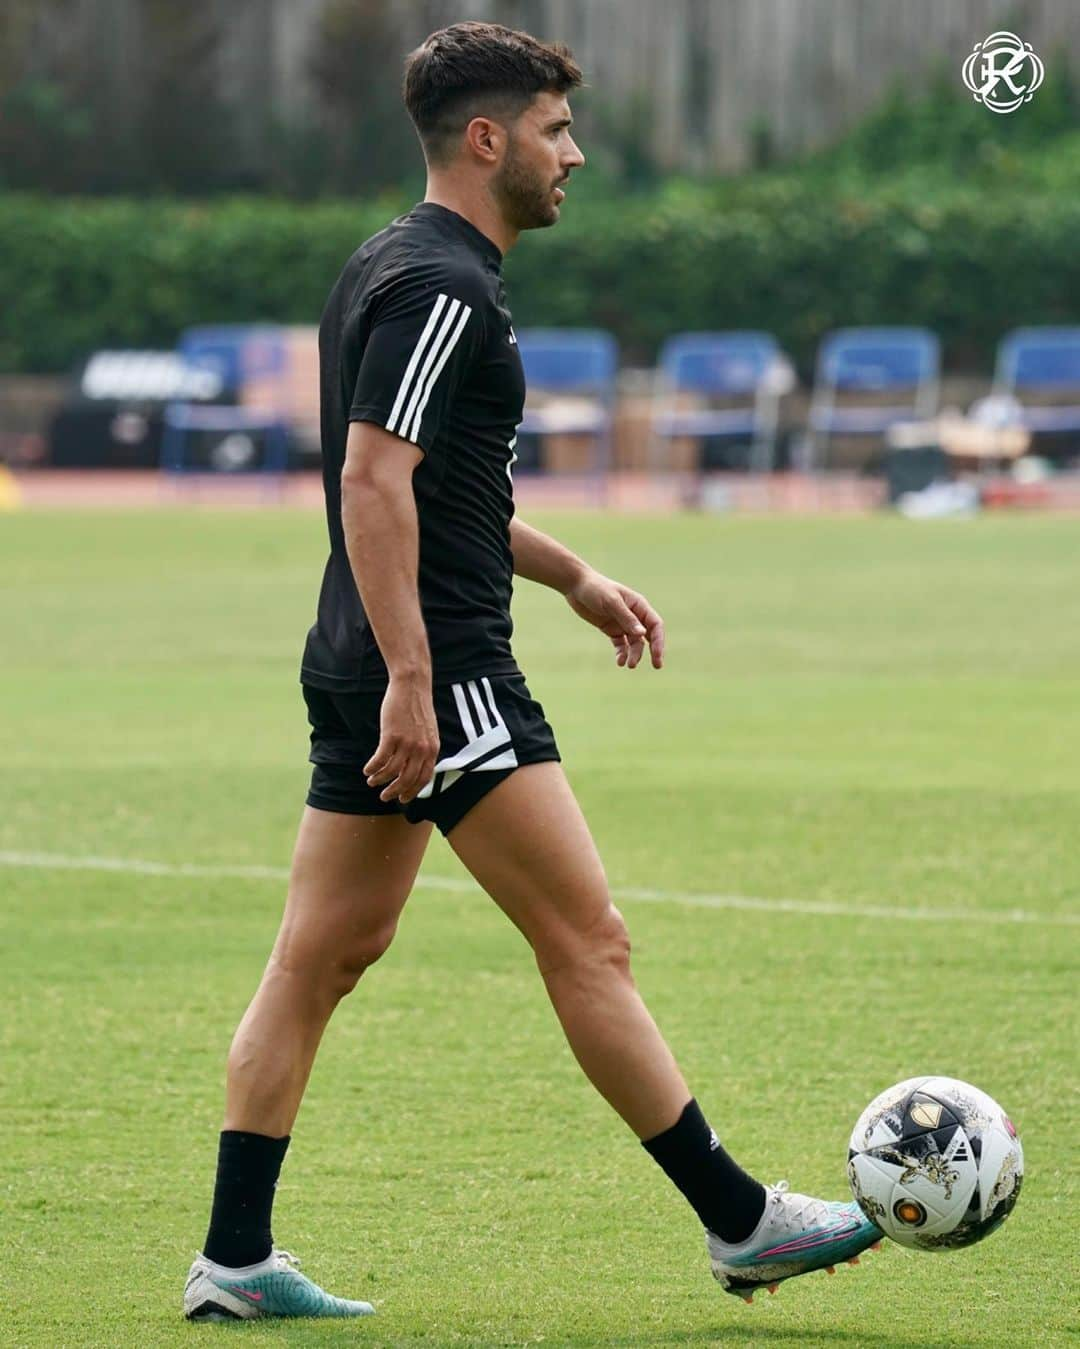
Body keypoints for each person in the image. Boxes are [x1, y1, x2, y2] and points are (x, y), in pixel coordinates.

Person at [183, 21, 880, 1324]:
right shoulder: (446, 287)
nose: (577, 154)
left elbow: (434, 488)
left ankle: (232, 1257)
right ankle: (741, 1222)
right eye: (557, 131)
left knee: (318, 960)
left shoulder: (394, 266)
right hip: (437, 675)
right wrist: (413, 680)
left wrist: (569, 576)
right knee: (589, 941)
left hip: (376, 664)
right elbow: (371, 483)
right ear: (488, 139)